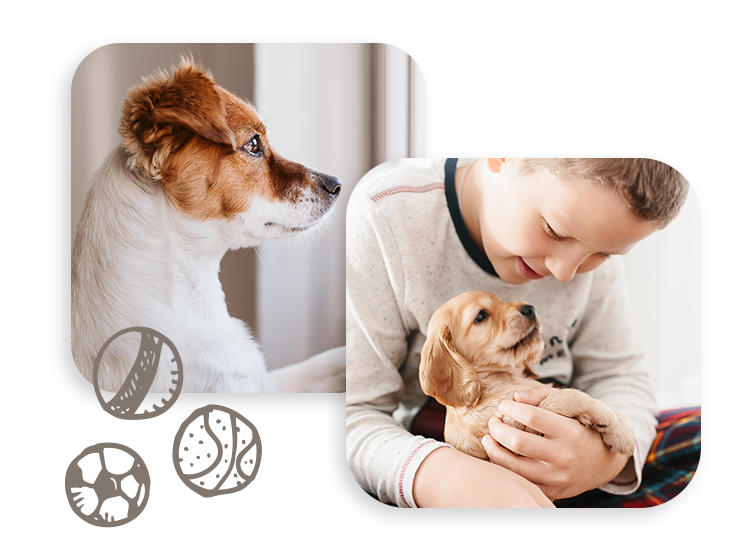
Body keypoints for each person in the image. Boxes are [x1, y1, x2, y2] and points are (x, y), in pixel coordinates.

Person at [345, 158, 692, 508]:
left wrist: (603, 462)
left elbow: (620, 375)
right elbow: (355, 413)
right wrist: (438, 476)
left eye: (602, 254)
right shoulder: (388, 212)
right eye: (556, 231)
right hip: (446, 473)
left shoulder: (588, 236)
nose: (566, 272)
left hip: (573, 465)